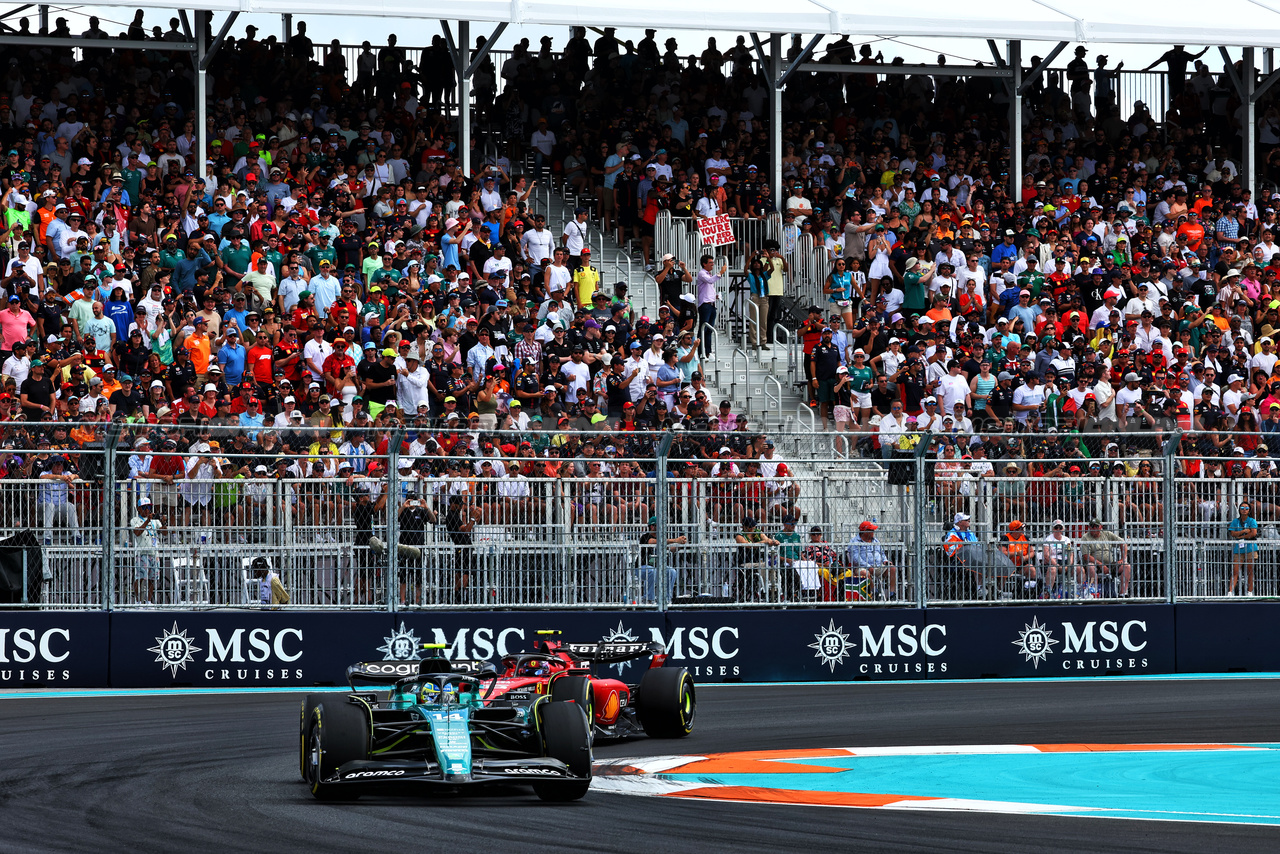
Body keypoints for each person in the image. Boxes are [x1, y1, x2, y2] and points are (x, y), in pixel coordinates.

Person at [636, 515, 686, 604]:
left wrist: (681, 544)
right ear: (652, 526)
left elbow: (672, 549)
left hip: (657, 568)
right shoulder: (645, 537)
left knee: (671, 572)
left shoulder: (662, 538)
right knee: (651, 571)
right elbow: (653, 541)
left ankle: (666, 599)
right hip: (641, 568)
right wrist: (675, 540)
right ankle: (648, 599)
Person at [1077, 518, 1131, 598]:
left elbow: (1123, 543)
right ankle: (1094, 593)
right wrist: (1101, 565)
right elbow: (1086, 556)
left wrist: (1123, 559)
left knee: (1126, 566)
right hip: (1095, 564)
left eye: (1096, 526)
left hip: (1110, 563)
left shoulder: (1107, 534)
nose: (1094, 528)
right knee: (1090, 566)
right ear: (1089, 527)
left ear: (1100, 527)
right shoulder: (1085, 537)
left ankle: (1122, 594)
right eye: (1092, 526)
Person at [846, 519, 899, 599]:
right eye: (872, 530)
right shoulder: (854, 542)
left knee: (892, 569)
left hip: (877, 566)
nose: (874, 532)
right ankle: (874, 591)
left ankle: (892, 594)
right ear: (865, 531)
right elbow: (856, 558)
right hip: (861, 567)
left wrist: (885, 560)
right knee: (865, 573)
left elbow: (882, 553)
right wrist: (868, 566)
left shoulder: (875, 540)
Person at [733, 515, 779, 601]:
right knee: (763, 567)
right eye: (751, 527)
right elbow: (748, 545)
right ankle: (764, 591)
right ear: (745, 527)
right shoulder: (740, 536)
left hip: (757, 561)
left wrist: (773, 541)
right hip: (745, 562)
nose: (753, 528)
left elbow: (766, 539)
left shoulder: (757, 532)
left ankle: (772, 589)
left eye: (754, 526)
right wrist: (763, 542)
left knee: (770, 566)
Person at [129, 497, 165, 604]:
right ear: (139, 509)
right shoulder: (135, 520)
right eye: (144, 507)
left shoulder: (155, 520)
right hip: (142, 553)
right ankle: (138, 601)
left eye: (149, 507)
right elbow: (137, 532)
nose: (147, 510)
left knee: (152, 579)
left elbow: (165, 533)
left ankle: (149, 601)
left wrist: (163, 522)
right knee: (140, 577)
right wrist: (147, 521)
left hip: (154, 552)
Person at [1228, 500, 1260, 596]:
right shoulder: (1235, 521)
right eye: (1242, 508)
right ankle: (1230, 592)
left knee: (1250, 571)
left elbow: (1253, 533)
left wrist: (1241, 537)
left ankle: (1249, 592)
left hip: (1250, 548)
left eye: (1246, 508)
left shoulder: (1252, 520)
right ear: (1239, 510)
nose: (1244, 510)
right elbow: (1232, 533)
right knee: (1235, 571)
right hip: (1239, 549)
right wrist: (1244, 531)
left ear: (1249, 510)